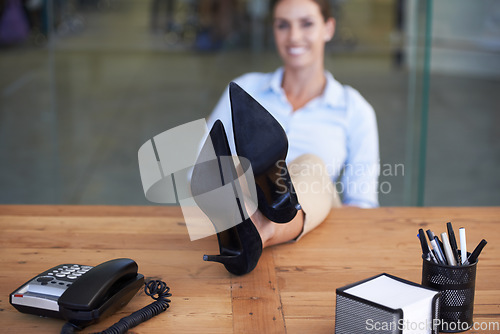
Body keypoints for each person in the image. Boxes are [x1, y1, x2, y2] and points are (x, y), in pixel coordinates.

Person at [197, 0, 379, 275]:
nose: (294, 36)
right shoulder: (246, 89)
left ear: (328, 28)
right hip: (247, 199)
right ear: (273, 31)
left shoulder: (354, 109)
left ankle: (258, 229)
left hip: (319, 224)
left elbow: (362, 203)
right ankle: (255, 219)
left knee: (312, 166)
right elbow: (201, 170)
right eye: (283, 25)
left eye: (306, 24)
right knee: (231, 166)